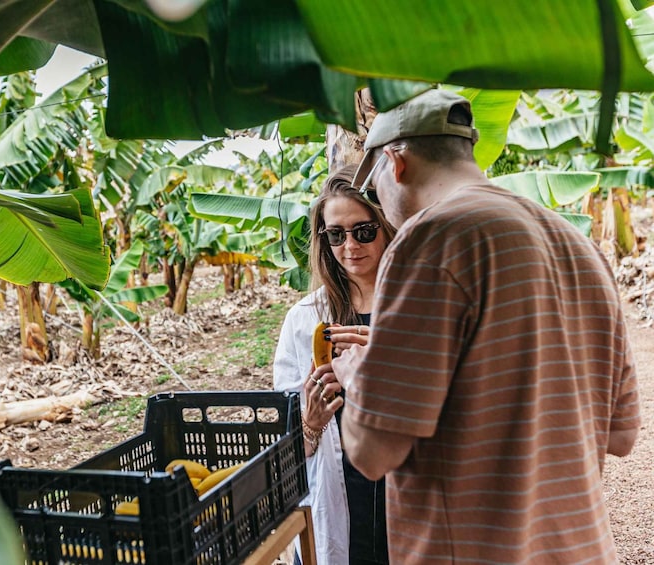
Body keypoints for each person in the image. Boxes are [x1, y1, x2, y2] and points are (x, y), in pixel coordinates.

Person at [332, 88, 641, 564]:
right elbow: (620, 434)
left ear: (395, 163)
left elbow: (372, 451)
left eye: (372, 186)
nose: (377, 199)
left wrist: (360, 375)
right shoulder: (579, 246)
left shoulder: (430, 237)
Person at [273, 164, 397, 565]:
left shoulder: (418, 308)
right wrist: (310, 422)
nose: (349, 247)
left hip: (406, 490)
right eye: (335, 235)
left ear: (387, 226)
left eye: (363, 231)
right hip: (339, 493)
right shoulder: (305, 319)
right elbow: (288, 446)